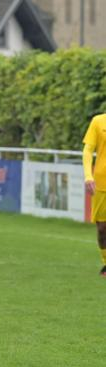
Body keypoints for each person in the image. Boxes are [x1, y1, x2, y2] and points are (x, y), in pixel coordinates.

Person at [82, 112, 106, 277]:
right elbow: (88, 150)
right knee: (103, 228)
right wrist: (88, 176)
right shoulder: (98, 121)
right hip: (101, 183)